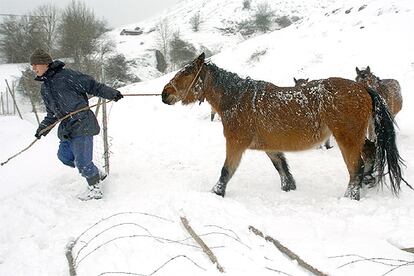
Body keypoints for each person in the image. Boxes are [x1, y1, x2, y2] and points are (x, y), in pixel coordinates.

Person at [30, 48, 124, 201]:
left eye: (36, 65)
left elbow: (93, 86)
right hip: (67, 129)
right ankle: (96, 173)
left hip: (82, 123)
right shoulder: (45, 88)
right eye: (32, 66)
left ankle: (95, 189)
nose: (33, 68)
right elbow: (52, 114)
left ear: (46, 63)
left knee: (82, 163)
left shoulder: (67, 76)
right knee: (64, 157)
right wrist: (42, 129)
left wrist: (112, 93)